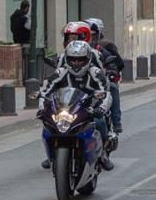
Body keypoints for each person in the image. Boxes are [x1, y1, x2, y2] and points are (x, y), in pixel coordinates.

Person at [39, 41, 114, 171]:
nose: (76, 63)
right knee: (48, 125)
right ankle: (51, 154)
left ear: (88, 59)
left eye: (80, 60)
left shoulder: (96, 73)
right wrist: (42, 108)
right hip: (66, 108)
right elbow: (46, 92)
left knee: (100, 122)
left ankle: (103, 154)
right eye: (73, 60)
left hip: (89, 109)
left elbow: (106, 93)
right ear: (67, 59)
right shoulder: (60, 73)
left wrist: (101, 108)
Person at [86, 18, 124, 133]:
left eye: (92, 35)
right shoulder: (74, 50)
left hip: (99, 82)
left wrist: (112, 71)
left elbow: (116, 63)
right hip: (81, 83)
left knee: (113, 87)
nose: (89, 39)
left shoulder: (103, 48)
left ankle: (116, 122)